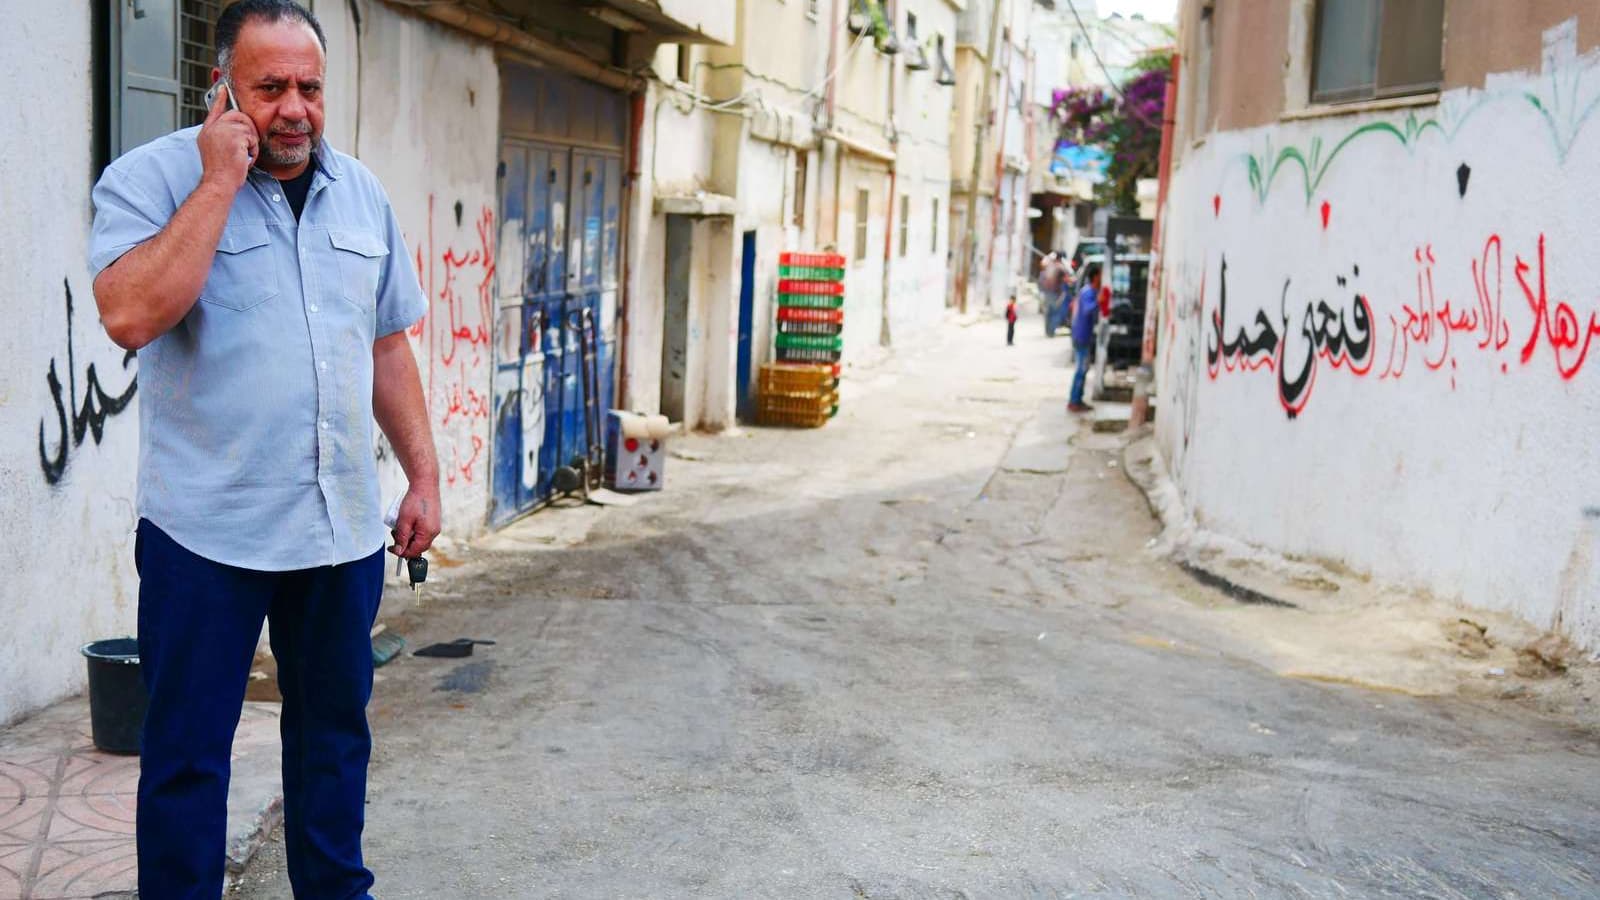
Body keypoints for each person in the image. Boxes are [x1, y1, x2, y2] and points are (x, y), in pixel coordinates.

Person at [88, 2, 438, 896]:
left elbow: (387, 344)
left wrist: (424, 477)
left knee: (331, 746)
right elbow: (129, 313)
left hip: (339, 531)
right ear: (224, 90)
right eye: (270, 86)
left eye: (310, 88)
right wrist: (216, 182)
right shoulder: (152, 179)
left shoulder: (361, 193)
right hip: (208, 535)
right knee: (188, 761)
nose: (294, 108)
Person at [1069, 262, 1104, 413]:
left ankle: (1077, 399)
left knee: (1083, 369)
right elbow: (1089, 309)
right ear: (1096, 276)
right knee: (1081, 370)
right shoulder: (1088, 292)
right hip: (1081, 336)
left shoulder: (1087, 291)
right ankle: (1074, 401)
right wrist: (1099, 301)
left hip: (1082, 335)